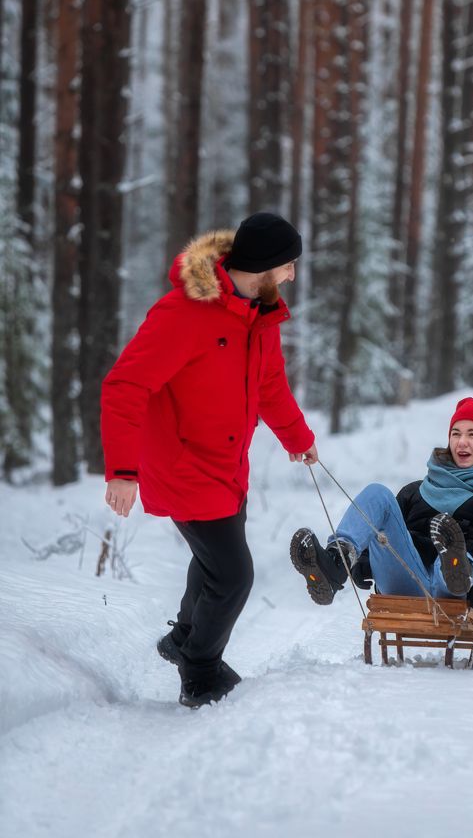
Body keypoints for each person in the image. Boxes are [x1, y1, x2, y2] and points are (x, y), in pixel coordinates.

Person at [101, 212, 317, 708]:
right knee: (233, 576)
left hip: (227, 468)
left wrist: (297, 437)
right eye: (287, 265)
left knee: (213, 565)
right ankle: (198, 670)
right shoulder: (184, 313)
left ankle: (183, 639)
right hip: (182, 466)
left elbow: (270, 386)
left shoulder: (259, 316)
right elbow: (124, 386)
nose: (291, 276)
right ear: (262, 266)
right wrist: (122, 471)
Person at [290, 397, 473, 612]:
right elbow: (382, 533)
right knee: (378, 494)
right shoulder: (415, 492)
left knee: (450, 559)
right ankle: (336, 562)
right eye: (456, 433)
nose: (461, 442)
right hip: (407, 581)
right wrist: (364, 560)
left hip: (468, 595)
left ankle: (459, 570)